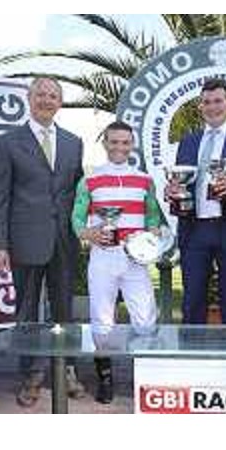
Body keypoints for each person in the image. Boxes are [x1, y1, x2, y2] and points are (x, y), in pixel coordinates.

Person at [0, 77, 86, 407]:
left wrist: (86, 228)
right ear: (29, 100)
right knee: (27, 310)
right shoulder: (7, 142)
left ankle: (68, 368)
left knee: (65, 309)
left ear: (60, 102)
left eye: (53, 95)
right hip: (25, 239)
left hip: (64, 240)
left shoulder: (75, 142)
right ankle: (30, 374)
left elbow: (79, 194)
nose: (47, 100)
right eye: (41, 94)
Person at [71, 121, 162, 404]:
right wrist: (88, 233)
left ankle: (146, 379)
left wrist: (153, 233)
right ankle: (106, 379)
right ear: (105, 143)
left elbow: (153, 216)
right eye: (114, 142)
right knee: (102, 320)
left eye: (125, 142)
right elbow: (76, 217)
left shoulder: (145, 180)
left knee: (145, 320)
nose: (120, 147)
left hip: (135, 262)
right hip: (103, 258)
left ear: (132, 144)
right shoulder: (89, 180)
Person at [165, 78, 226, 324]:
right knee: (192, 299)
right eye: (206, 102)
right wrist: (174, 190)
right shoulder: (188, 142)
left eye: (218, 101)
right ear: (201, 106)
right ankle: (193, 358)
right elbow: (183, 182)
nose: (212, 107)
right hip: (195, 229)